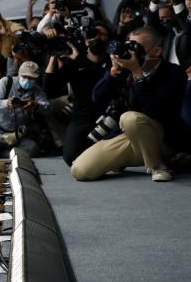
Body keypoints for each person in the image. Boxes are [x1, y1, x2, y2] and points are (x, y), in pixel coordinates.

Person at [72, 27, 189, 183]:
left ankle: (158, 166)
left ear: (156, 52)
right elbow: (97, 98)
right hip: (130, 136)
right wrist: (113, 73)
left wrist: (137, 74)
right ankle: (126, 160)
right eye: (128, 46)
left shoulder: (174, 73)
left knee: (130, 118)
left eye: (136, 48)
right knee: (80, 170)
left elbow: (154, 110)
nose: (130, 53)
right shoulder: (124, 71)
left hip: (163, 139)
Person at [42, 34, 108, 165]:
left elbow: (102, 78)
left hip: (107, 114)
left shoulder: (110, 60)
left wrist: (79, 58)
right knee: (70, 157)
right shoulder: (75, 64)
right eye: (89, 40)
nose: (91, 42)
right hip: (81, 116)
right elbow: (49, 89)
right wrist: (53, 56)